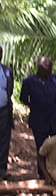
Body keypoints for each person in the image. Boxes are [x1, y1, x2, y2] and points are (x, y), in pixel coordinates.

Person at [20, 56, 56, 177]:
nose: (50, 69)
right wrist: (35, 105)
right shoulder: (29, 82)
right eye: (48, 67)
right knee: (41, 148)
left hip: (55, 119)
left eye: (51, 67)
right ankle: (43, 176)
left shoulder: (54, 79)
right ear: (40, 68)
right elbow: (23, 99)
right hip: (38, 120)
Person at [0, 46, 13, 179]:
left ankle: (2, 170)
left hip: (4, 110)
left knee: (4, 139)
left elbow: (10, 90)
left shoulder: (7, 71)